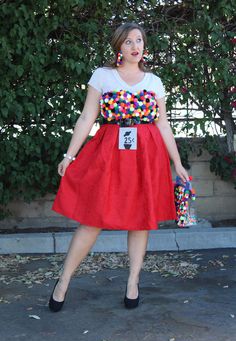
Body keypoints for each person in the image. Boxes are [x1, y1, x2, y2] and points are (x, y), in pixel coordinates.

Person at [49, 22, 189, 312]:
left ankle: (133, 282)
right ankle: (63, 280)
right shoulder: (103, 76)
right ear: (118, 48)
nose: (135, 46)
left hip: (146, 156)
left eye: (139, 40)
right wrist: (69, 155)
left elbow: (162, 122)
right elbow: (87, 116)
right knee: (93, 217)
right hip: (109, 152)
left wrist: (177, 162)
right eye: (128, 42)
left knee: (140, 219)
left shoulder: (154, 82)